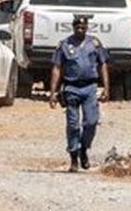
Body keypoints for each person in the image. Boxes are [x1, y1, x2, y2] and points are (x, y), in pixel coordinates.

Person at [48, 13, 110, 172]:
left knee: (91, 121)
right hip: (71, 88)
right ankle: (74, 157)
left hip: (90, 87)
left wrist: (106, 88)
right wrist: (53, 92)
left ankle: (84, 148)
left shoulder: (94, 43)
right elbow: (57, 68)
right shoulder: (64, 44)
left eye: (83, 27)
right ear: (73, 27)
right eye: (77, 27)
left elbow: (102, 64)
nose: (80, 30)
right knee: (73, 124)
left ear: (87, 27)